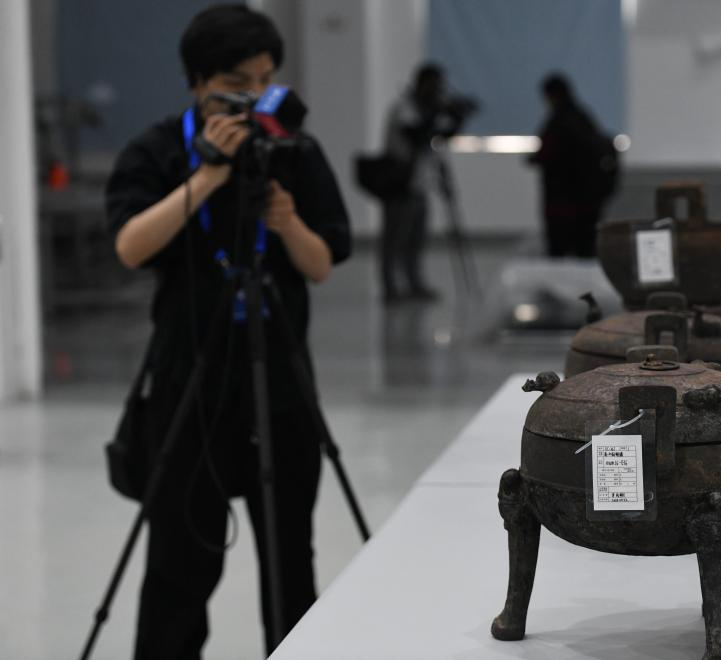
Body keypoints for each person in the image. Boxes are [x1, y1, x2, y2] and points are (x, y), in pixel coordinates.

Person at [105, 5, 350, 658]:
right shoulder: (159, 150)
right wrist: (209, 174)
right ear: (197, 83)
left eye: (266, 80)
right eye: (236, 85)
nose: (254, 99)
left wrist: (288, 223)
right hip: (190, 385)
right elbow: (130, 246)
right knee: (179, 570)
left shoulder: (293, 151)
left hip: (282, 389)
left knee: (290, 566)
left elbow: (321, 265)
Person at [379, 63, 471, 303]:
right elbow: (416, 135)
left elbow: (439, 137)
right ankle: (390, 287)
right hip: (399, 183)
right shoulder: (405, 108)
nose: (437, 91)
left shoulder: (424, 110)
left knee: (416, 239)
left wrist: (457, 118)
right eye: (434, 85)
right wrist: (436, 113)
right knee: (395, 238)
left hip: (420, 183)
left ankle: (414, 284)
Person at [529, 73, 610, 258]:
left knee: (560, 254)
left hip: (561, 201)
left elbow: (544, 154)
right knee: (584, 252)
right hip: (586, 200)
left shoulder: (559, 121)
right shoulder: (582, 118)